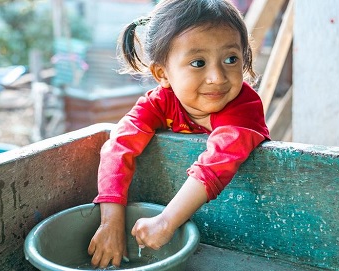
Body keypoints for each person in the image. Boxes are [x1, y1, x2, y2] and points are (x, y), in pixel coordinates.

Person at [88, 0, 270, 268]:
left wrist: (165, 221)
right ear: (162, 73)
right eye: (198, 62)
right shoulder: (159, 103)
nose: (218, 77)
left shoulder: (244, 107)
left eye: (231, 59)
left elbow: (217, 162)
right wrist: (111, 222)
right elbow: (119, 146)